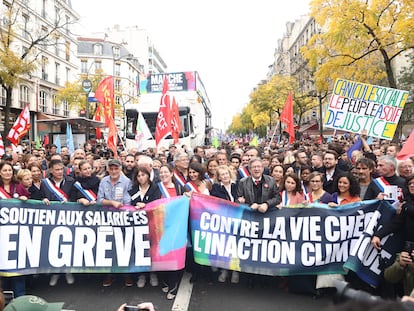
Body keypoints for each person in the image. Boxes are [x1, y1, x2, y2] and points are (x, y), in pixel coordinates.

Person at [97, 159, 132, 287]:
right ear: (108, 169)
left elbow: (128, 202)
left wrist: (120, 206)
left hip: (122, 218)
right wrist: (111, 203)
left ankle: (127, 274)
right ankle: (109, 275)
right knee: (108, 247)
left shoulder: (127, 182)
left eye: (116, 168)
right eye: (111, 169)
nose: (113, 171)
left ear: (120, 169)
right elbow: (99, 200)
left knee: (124, 246)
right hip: (106, 219)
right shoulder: (103, 181)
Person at [157, 164, 187, 299]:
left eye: (166, 172)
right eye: (161, 172)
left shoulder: (179, 188)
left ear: (171, 173)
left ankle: (173, 285)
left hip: (177, 227)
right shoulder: (156, 188)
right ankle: (164, 280)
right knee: (162, 254)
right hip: (160, 227)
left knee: (175, 255)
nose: (163, 174)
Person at [129, 167, 161, 289]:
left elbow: (157, 204)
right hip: (137, 225)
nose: (141, 177)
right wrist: (136, 205)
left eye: (143, 175)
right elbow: (129, 204)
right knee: (139, 249)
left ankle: (153, 273)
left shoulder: (155, 188)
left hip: (152, 223)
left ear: (148, 176)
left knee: (151, 248)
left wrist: (145, 206)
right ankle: (141, 274)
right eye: (138, 176)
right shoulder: (133, 190)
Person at [210, 165, 239, 283]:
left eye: (226, 173)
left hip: (237, 220)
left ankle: (236, 271)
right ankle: (225, 270)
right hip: (224, 221)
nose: (225, 176)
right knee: (225, 247)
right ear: (219, 177)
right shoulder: (216, 188)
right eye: (222, 174)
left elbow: (243, 198)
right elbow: (214, 203)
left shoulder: (237, 185)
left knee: (236, 246)